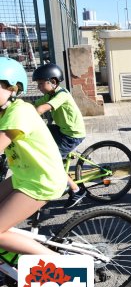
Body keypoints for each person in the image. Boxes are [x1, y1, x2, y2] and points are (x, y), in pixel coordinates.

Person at [0, 57, 67, 257]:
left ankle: (57, 262)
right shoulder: (3, 113)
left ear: (13, 88)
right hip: (24, 177)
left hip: (42, 181)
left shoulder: (19, 111)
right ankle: (11, 259)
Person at [33, 63, 87, 208]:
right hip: (61, 129)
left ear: (53, 82)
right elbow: (33, 105)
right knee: (41, 134)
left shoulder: (62, 94)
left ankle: (76, 190)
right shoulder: (50, 94)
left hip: (72, 135)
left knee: (51, 161)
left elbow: (42, 108)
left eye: (40, 83)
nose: (38, 87)